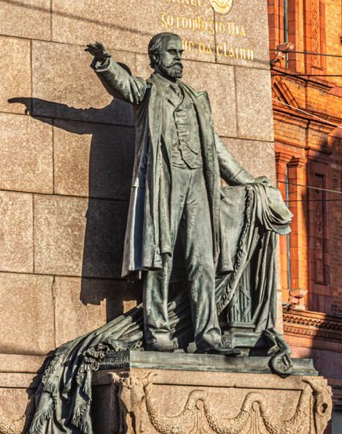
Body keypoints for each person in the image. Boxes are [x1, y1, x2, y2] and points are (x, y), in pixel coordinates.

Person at [87, 34, 258, 353]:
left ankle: (208, 334)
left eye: (181, 52)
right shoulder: (149, 91)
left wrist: (246, 181)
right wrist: (105, 63)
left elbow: (215, 147)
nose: (179, 57)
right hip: (165, 183)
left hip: (198, 184)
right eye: (172, 52)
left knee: (203, 259)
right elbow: (124, 85)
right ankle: (157, 330)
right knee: (159, 257)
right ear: (155, 58)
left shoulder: (197, 98)